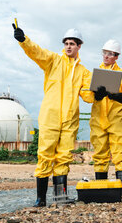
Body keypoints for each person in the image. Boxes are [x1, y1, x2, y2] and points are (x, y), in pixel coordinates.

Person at [13, 23, 92, 206]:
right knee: (45, 155)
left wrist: (99, 92)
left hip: (70, 119)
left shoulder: (84, 72)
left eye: (72, 43)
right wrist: (23, 40)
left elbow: (87, 95)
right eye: (66, 43)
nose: (69, 46)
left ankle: (59, 198)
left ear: (79, 46)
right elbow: (37, 52)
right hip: (50, 116)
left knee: (63, 157)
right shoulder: (53, 60)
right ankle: (40, 199)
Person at [88, 39, 122, 193]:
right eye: (105, 53)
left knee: (120, 153)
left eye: (110, 54)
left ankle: (119, 192)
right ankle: (102, 190)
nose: (106, 56)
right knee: (100, 153)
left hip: (116, 119)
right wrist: (97, 94)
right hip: (98, 119)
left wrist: (114, 95)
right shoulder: (95, 74)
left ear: (116, 56)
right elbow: (87, 94)